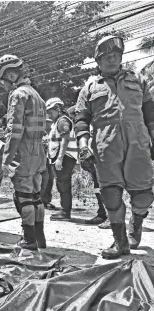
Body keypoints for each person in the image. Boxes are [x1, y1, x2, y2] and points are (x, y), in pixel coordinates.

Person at [75, 35, 154, 259]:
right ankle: (120, 242)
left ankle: (136, 223)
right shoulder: (89, 87)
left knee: (143, 196)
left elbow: (150, 113)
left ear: (121, 57)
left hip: (138, 144)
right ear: (98, 62)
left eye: (115, 55)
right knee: (111, 195)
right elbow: (81, 120)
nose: (111, 60)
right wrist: (83, 147)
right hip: (105, 147)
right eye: (106, 57)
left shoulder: (139, 80)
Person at [0, 54, 47, 250]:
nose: (3, 85)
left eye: (3, 80)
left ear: (12, 75)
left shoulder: (18, 95)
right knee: (35, 195)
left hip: (23, 150)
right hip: (39, 150)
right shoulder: (37, 95)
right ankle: (40, 238)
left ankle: (29, 240)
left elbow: (14, 131)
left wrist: (6, 159)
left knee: (23, 197)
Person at [46, 98, 78, 221]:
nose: (49, 114)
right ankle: (64, 211)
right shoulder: (57, 121)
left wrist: (59, 158)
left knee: (63, 185)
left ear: (58, 109)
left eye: (50, 111)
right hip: (62, 157)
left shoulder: (62, 121)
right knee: (62, 184)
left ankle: (65, 212)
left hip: (65, 158)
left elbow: (65, 139)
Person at [40, 118, 56, 209]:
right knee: (43, 180)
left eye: (50, 123)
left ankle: (46, 200)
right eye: (46, 123)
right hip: (42, 159)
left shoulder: (51, 132)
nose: (48, 125)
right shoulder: (40, 133)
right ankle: (40, 199)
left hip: (50, 159)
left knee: (50, 179)